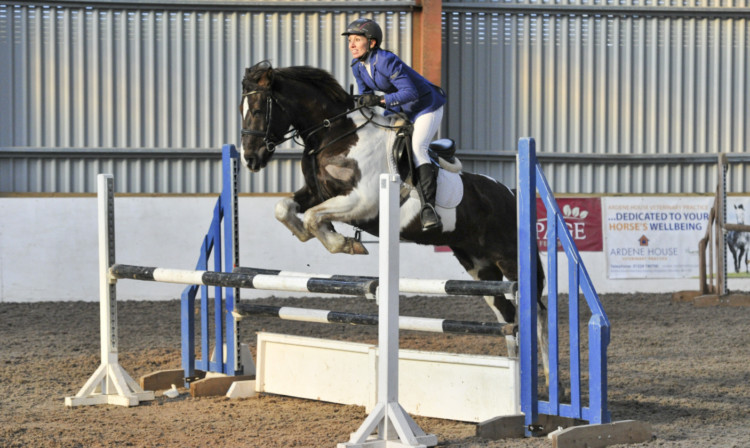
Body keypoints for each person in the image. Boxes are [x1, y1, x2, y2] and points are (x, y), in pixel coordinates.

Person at [342, 18, 447, 232]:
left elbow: (411, 93)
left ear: (371, 43)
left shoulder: (386, 60)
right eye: (350, 40)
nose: (351, 45)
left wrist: (380, 101)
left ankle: (429, 208)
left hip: (426, 106)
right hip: (400, 108)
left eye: (357, 40)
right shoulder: (358, 67)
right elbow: (366, 98)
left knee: (418, 148)